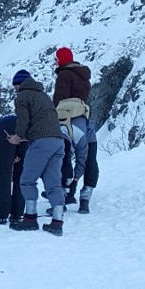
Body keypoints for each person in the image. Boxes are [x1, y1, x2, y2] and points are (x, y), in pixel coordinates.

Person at [7, 69, 67, 236]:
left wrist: (17, 137)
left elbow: (23, 121)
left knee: (27, 180)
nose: (14, 90)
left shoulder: (23, 96)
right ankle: (57, 222)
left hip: (42, 142)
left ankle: (30, 218)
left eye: (14, 87)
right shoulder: (43, 96)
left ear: (19, 84)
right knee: (53, 182)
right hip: (58, 141)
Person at [53, 47, 98, 214]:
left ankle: (64, 195)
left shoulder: (64, 75)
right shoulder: (84, 76)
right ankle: (85, 198)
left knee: (61, 157)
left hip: (68, 122)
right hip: (85, 120)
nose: (54, 63)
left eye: (56, 59)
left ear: (62, 60)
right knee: (90, 158)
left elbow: (59, 100)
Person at [0, 115, 28, 225]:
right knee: (21, 174)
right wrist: (16, 154)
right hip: (26, 130)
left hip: (6, 128)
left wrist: (1, 154)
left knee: (3, 173)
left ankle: (0, 215)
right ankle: (18, 214)